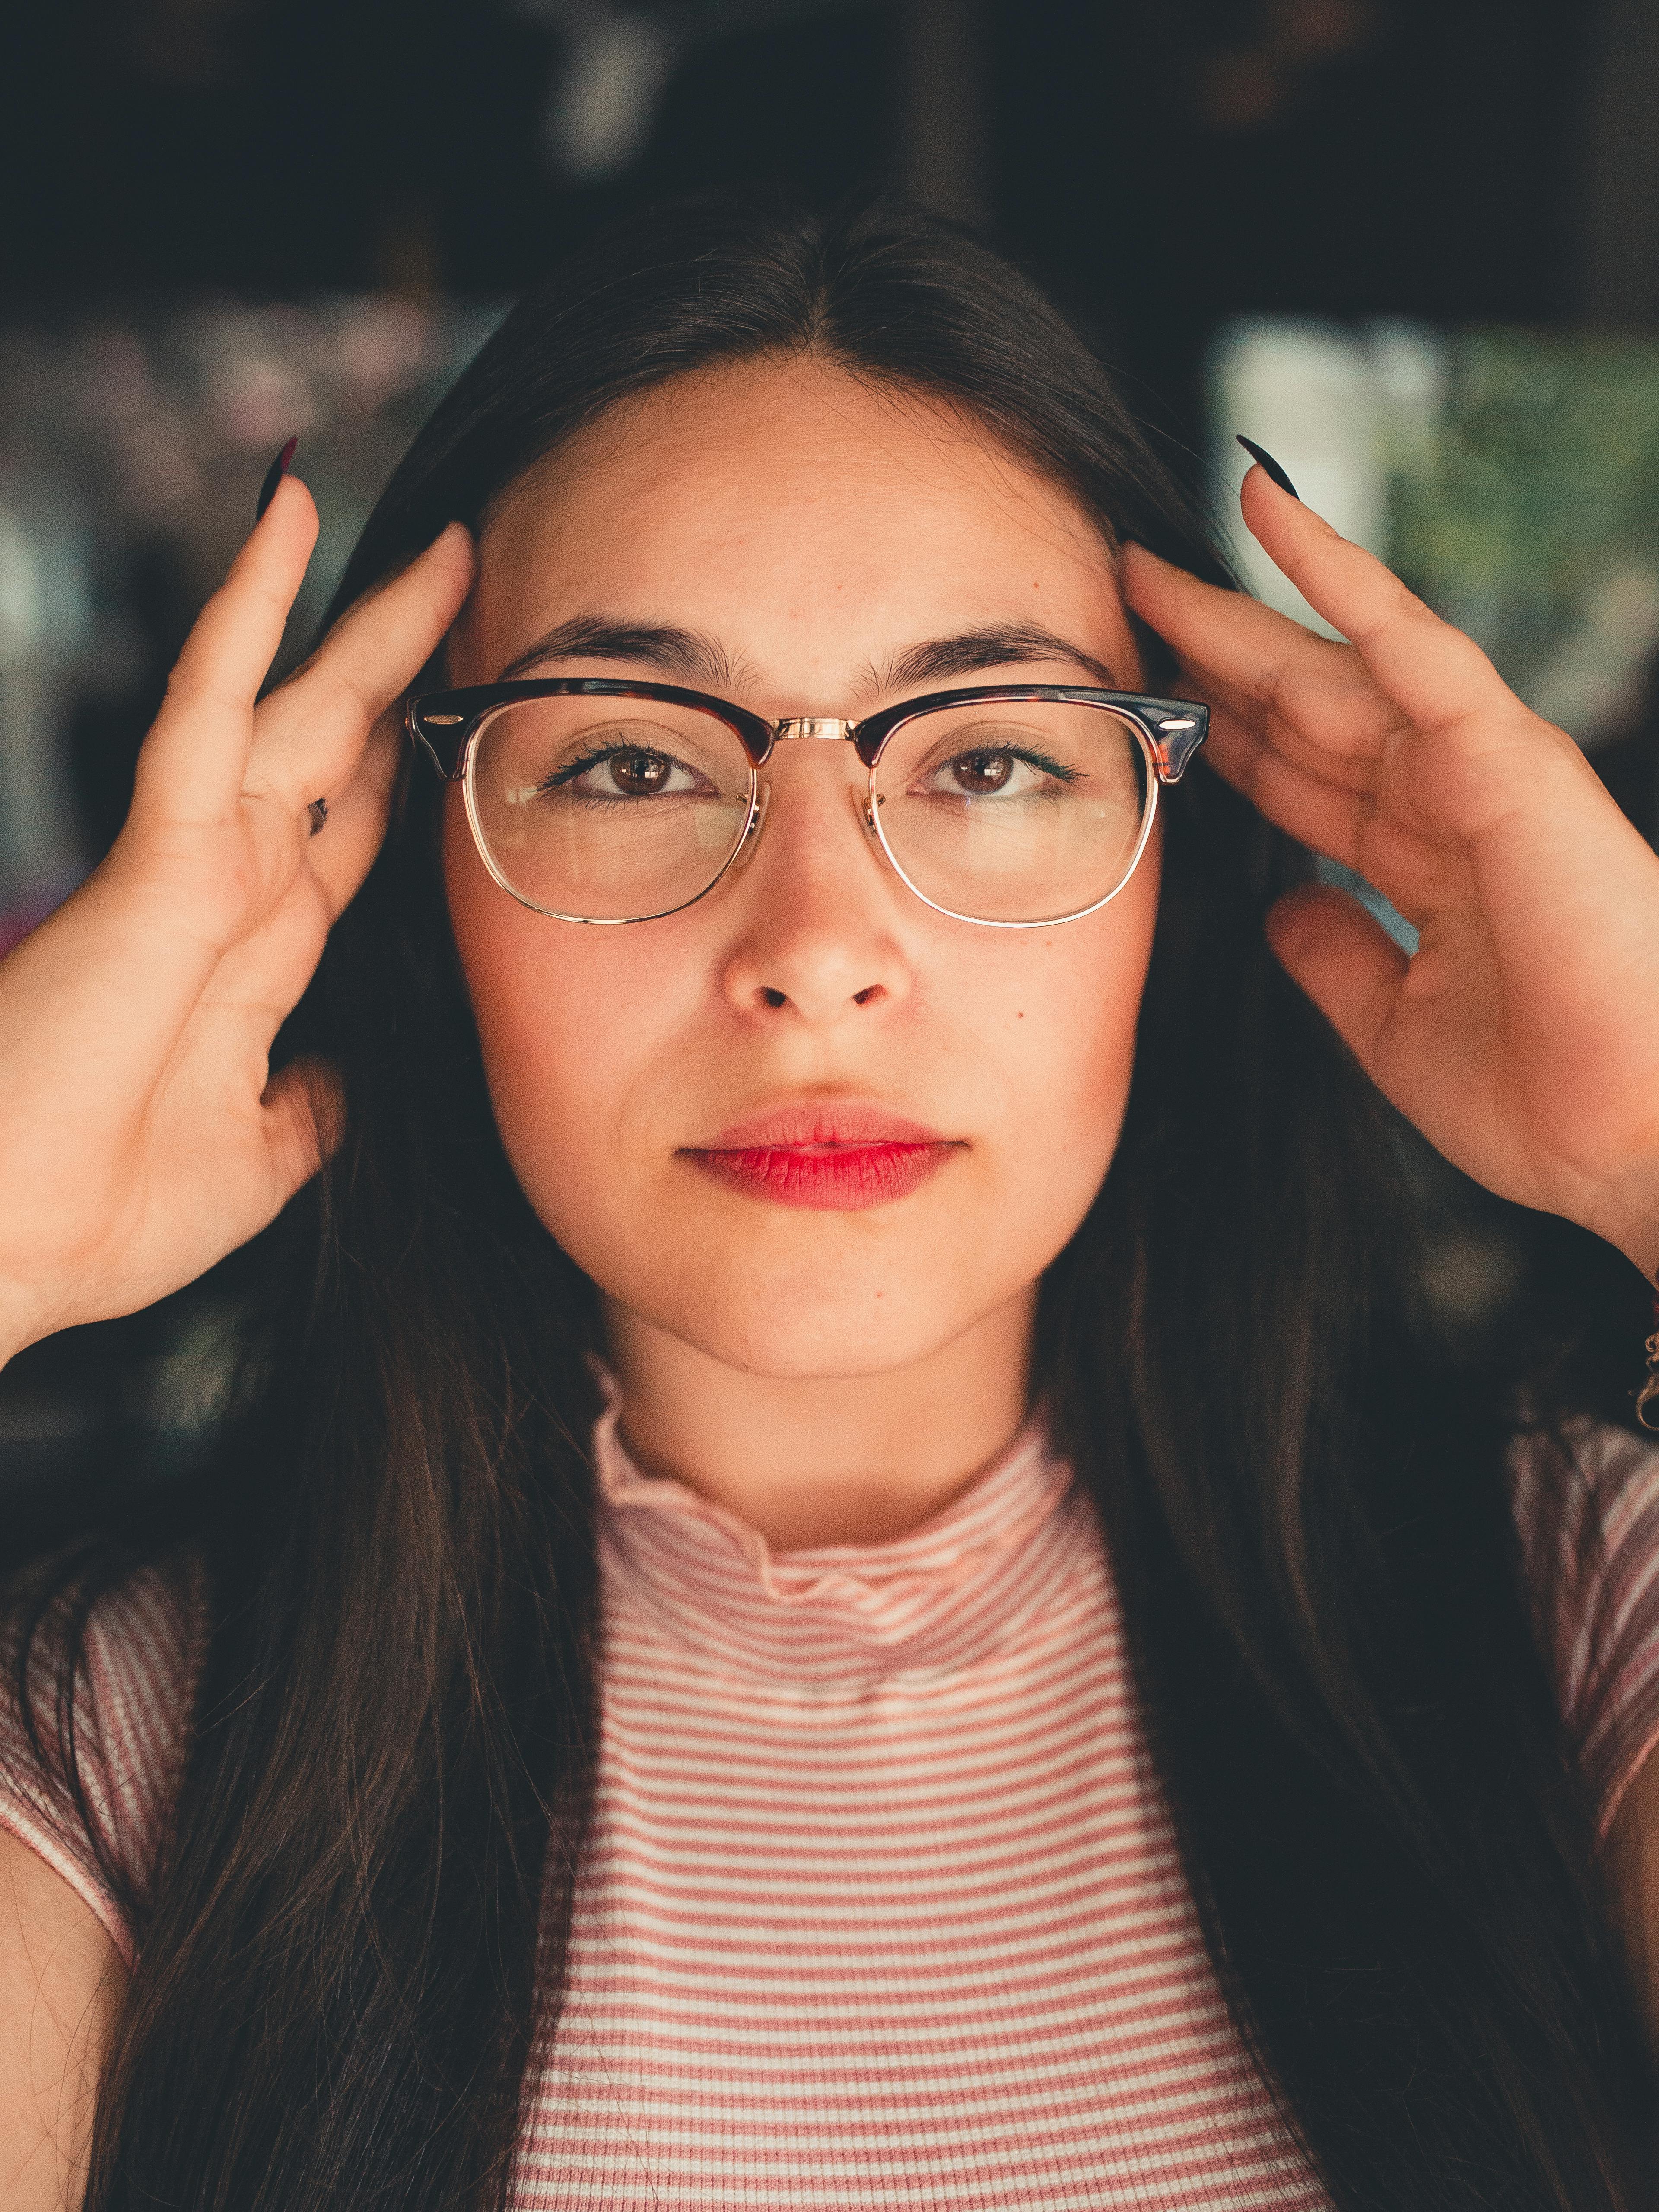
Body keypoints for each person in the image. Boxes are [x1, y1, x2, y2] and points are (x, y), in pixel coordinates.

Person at [1, 196, 1657, 2212]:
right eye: (625, 762)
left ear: (1177, 864)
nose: (817, 947)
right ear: (418, 880)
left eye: (987, 760)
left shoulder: (1581, 1612)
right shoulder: (115, 1753)